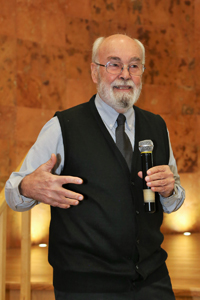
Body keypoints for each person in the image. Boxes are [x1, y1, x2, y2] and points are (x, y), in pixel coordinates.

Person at [5, 34, 185, 300]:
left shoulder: (157, 126)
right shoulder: (63, 127)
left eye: (134, 66)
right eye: (114, 64)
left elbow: (174, 200)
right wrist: (28, 186)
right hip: (84, 286)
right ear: (94, 71)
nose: (125, 74)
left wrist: (171, 192)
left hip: (152, 279)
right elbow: (12, 191)